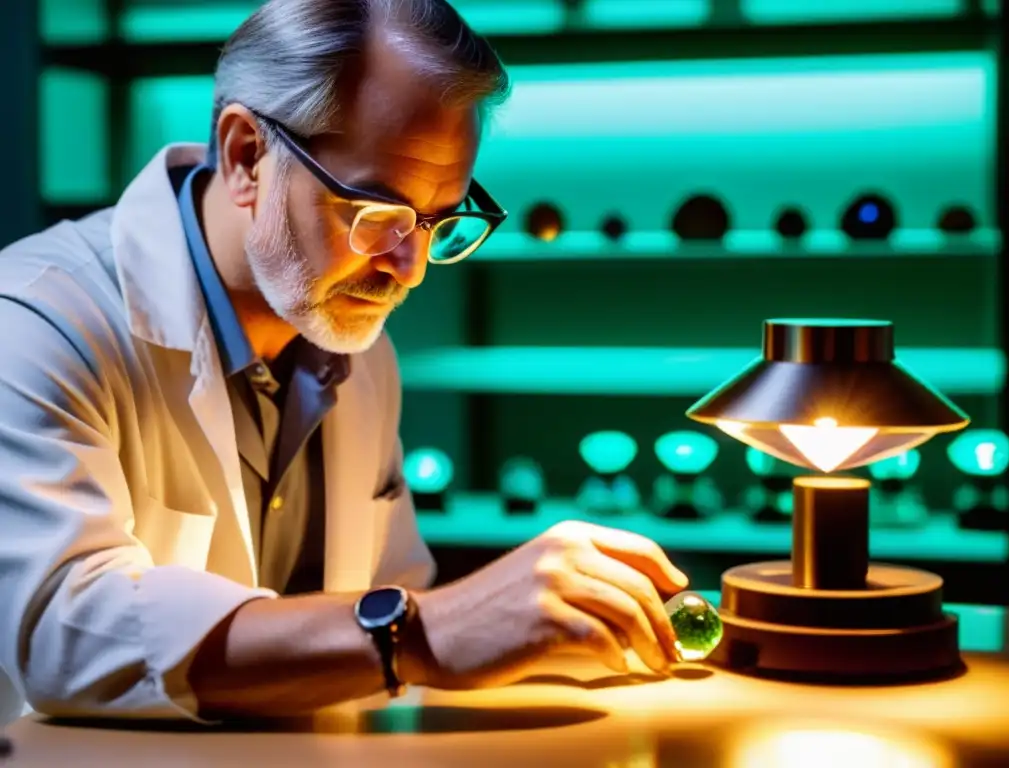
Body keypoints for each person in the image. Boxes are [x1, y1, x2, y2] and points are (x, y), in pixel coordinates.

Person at [0, 0, 689, 724]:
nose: (411, 269)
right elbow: (61, 634)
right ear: (245, 156)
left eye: (437, 222)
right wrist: (425, 632)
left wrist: (533, 633)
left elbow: (383, 610)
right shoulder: (36, 318)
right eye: (375, 215)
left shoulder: (352, 347)